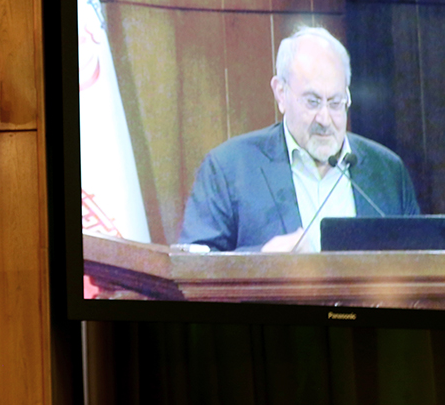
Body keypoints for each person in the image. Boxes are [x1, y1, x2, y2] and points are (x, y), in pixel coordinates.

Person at [178, 25, 419, 253]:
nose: (324, 119)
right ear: (281, 94)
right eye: (312, 102)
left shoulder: (388, 171)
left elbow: (420, 260)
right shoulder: (229, 168)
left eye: (336, 103)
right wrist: (261, 260)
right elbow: (195, 263)